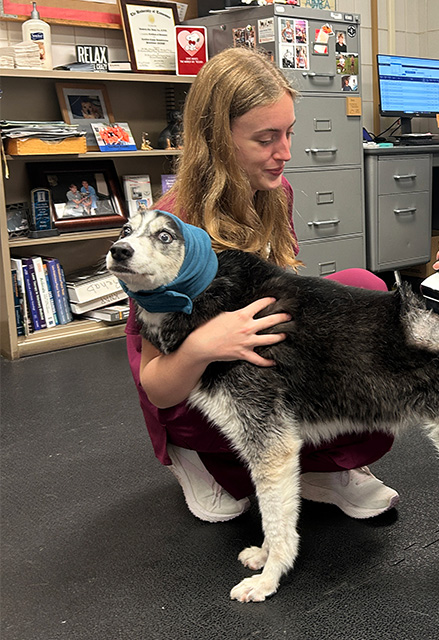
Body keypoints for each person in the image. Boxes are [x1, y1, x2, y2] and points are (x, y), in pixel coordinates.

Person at [125, 46, 399, 524]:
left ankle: (317, 466)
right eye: (266, 138)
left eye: (289, 133)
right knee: (236, 444)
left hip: (256, 349)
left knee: (365, 297)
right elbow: (159, 386)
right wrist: (202, 346)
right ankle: (193, 457)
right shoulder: (172, 224)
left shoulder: (274, 190)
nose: (285, 153)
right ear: (217, 141)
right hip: (191, 370)